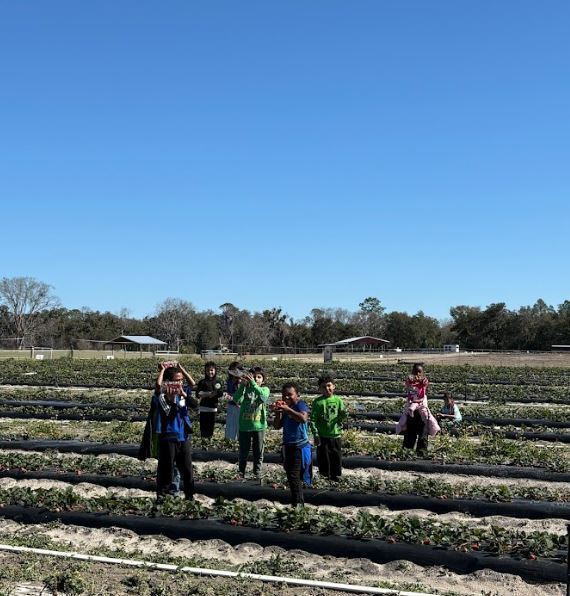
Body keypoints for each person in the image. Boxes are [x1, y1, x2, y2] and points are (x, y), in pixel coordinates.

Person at [151, 362, 198, 500]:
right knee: (166, 470)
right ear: (169, 382)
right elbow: (169, 414)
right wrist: (163, 370)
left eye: (181, 380)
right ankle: (162, 496)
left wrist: (181, 368)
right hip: (168, 438)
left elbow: (194, 402)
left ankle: (190, 496)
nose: (180, 383)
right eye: (177, 380)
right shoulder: (162, 397)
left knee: (187, 470)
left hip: (183, 436)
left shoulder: (183, 393)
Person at [273, 382, 312, 507]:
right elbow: (277, 426)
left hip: (299, 446)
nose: (286, 398)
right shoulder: (286, 407)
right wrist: (278, 412)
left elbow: (303, 418)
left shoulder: (301, 405)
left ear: (297, 395)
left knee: (294, 475)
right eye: (284, 395)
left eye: (290, 395)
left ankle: (298, 504)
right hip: (288, 445)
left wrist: (287, 410)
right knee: (291, 475)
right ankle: (297, 501)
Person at [233, 366, 270, 478]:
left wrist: (253, 384)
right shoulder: (245, 389)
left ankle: (257, 472)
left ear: (263, 380)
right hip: (245, 426)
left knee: (258, 451)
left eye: (259, 377)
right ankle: (241, 472)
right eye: (253, 377)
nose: (256, 379)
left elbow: (263, 397)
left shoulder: (265, 389)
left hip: (259, 426)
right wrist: (242, 386)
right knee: (243, 451)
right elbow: (236, 400)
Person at [396, 363, 440, 452]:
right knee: (410, 434)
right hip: (411, 411)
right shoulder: (409, 381)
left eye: (419, 372)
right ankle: (407, 451)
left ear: (422, 373)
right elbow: (407, 384)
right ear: (412, 372)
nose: (417, 374)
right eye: (416, 372)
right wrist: (411, 381)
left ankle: (421, 452)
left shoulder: (424, 381)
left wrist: (421, 380)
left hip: (421, 412)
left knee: (423, 434)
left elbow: (425, 383)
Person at [311, 375, 347, 481]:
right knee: (323, 458)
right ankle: (324, 477)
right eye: (323, 387)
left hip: (336, 435)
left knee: (336, 457)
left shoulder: (338, 400)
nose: (327, 388)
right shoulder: (318, 402)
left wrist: (345, 413)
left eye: (329, 385)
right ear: (319, 389)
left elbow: (342, 416)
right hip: (322, 436)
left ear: (334, 386)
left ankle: (336, 477)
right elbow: (313, 420)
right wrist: (315, 434)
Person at [195, 361, 224, 447]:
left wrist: (213, 394)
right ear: (205, 371)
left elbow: (220, 393)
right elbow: (198, 394)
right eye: (208, 370)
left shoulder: (217, 382)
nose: (210, 372)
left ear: (215, 371)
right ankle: (203, 442)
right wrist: (208, 394)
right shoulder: (202, 382)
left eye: (212, 370)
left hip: (212, 407)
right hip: (203, 407)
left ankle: (209, 442)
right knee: (203, 426)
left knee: (211, 426)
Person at [224, 361, 242, 441]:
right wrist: (227, 395)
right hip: (231, 406)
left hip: (240, 407)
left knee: (240, 425)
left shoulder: (242, 381)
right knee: (231, 425)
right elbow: (227, 392)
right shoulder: (229, 381)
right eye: (232, 371)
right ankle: (230, 441)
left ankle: (240, 440)